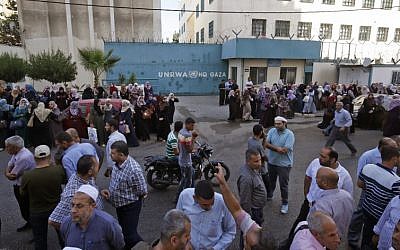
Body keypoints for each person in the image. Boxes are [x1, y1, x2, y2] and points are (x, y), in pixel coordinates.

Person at [288, 147, 353, 240]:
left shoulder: (344, 175)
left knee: (318, 237)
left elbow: (347, 197)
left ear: (333, 159)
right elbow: (308, 177)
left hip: (327, 213)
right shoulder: (315, 162)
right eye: (320, 155)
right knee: (298, 227)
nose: (319, 158)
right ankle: (290, 242)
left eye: (323, 157)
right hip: (309, 204)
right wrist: (306, 195)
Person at [348, 137, 398, 249]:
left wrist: (373, 187)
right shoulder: (395, 181)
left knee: (367, 235)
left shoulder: (369, 168)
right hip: (378, 215)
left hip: (368, 208)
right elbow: (395, 203)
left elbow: (361, 182)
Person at [49, 155, 103, 248]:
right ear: (90, 171)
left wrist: (99, 192)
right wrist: (75, 232)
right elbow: (53, 220)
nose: (99, 168)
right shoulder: (73, 195)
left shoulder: (86, 177)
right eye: (97, 165)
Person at [101, 141, 147, 249]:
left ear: (121, 155)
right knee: (124, 231)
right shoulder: (116, 164)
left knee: (130, 235)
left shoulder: (134, 169)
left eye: (112, 153)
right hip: (119, 206)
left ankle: (145, 247)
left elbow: (142, 190)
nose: (110, 155)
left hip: (130, 207)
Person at [20, 145, 66, 250]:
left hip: (37, 211)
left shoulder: (27, 175)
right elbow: (64, 181)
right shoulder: (58, 170)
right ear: (49, 156)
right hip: (57, 208)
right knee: (63, 236)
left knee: (40, 239)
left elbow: (23, 193)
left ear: (35, 158)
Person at [176, 180, 236, 249]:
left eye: (212, 203)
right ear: (195, 198)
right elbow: (178, 223)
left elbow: (230, 231)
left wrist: (216, 248)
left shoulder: (222, 202)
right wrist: (185, 243)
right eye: (205, 205)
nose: (210, 207)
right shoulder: (184, 196)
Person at [61, 185, 125, 250]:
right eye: (72, 205)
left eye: (79, 206)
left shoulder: (108, 224)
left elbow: (119, 245)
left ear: (92, 205)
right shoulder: (66, 223)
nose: (73, 210)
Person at [308, 167, 353, 238]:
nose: (315, 179)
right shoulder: (347, 195)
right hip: (339, 234)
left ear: (325, 183)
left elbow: (315, 228)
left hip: (324, 239)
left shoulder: (321, 205)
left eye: (317, 178)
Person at [4, 135, 36, 232]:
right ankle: (31, 224)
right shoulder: (18, 152)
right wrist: (7, 172)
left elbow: (13, 176)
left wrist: (7, 173)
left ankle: (36, 229)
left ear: (15, 147)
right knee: (25, 208)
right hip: (21, 184)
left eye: (7, 146)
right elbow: (9, 165)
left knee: (26, 208)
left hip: (24, 186)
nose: (6, 149)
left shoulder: (23, 157)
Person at [237, 149, 267, 249]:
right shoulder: (246, 178)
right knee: (248, 234)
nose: (259, 163)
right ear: (248, 161)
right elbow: (245, 201)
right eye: (256, 161)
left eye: (260, 160)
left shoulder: (254, 168)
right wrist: (248, 219)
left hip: (258, 209)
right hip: (253, 212)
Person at [265, 116, 295, 214]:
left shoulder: (289, 134)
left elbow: (284, 150)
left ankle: (285, 203)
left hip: (284, 164)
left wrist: (273, 147)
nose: (276, 126)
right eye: (275, 124)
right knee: (271, 181)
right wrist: (278, 148)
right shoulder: (272, 131)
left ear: (284, 123)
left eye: (279, 124)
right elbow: (265, 143)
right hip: (272, 162)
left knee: (283, 185)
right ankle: (270, 195)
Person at [175, 117, 198, 201]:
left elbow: (179, 145)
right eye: (192, 125)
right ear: (187, 124)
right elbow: (190, 150)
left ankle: (193, 194)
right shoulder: (187, 135)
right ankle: (180, 198)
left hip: (181, 159)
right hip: (186, 162)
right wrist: (194, 138)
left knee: (191, 177)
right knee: (186, 181)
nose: (193, 127)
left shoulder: (181, 132)